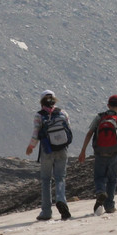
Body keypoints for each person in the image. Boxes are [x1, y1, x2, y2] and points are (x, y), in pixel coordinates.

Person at [78, 94, 117, 214]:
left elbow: (89, 133)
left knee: (99, 177)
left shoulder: (100, 117)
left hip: (100, 152)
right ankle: (109, 206)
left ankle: (100, 191)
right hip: (115, 153)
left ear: (108, 105)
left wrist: (83, 151)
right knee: (112, 179)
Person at [25, 90, 72, 221]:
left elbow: (36, 133)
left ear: (41, 101)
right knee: (60, 177)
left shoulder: (39, 115)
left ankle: (46, 212)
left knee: (46, 179)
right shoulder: (63, 113)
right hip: (62, 149)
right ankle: (61, 200)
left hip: (47, 150)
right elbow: (68, 129)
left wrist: (31, 147)